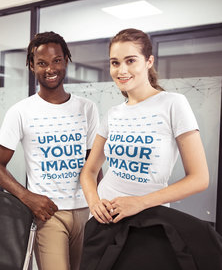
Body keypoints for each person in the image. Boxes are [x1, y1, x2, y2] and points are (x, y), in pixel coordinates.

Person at [0, 31, 100, 270]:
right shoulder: (20, 111)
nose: (50, 69)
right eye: (42, 63)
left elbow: (94, 165)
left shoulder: (87, 109)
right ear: (32, 66)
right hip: (49, 214)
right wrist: (27, 196)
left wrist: (100, 204)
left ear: (66, 61)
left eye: (56, 61)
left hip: (86, 210)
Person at [80, 28, 209, 225]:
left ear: (149, 61)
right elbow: (89, 172)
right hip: (104, 221)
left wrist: (140, 203)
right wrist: (94, 202)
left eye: (130, 61)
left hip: (149, 220)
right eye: (115, 63)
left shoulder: (173, 104)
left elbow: (199, 178)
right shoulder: (112, 114)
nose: (121, 70)